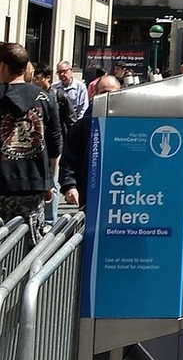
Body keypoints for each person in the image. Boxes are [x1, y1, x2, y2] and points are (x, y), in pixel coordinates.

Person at [0, 41, 62, 239]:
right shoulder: (45, 97)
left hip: (3, 180)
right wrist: (49, 181)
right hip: (34, 182)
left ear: (2, 66)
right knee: (30, 245)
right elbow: (54, 143)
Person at [60, 74, 121, 207]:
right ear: (95, 95)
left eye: (113, 93)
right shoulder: (81, 127)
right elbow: (68, 161)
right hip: (90, 196)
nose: (108, 97)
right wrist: (70, 186)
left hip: (123, 195)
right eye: (103, 93)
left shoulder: (132, 125)